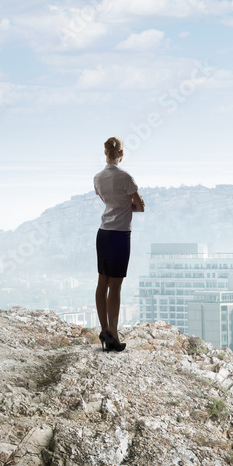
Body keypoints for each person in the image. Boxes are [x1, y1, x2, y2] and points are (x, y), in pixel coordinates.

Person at [93, 136, 144, 352]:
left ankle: (104, 329)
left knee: (102, 283)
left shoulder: (97, 178)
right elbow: (140, 206)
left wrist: (120, 205)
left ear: (105, 153)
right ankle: (113, 332)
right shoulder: (126, 177)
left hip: (103, 233)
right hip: (120, 235)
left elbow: (108, 203)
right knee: (116, 286)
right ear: (121, 154)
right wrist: (128, 206)